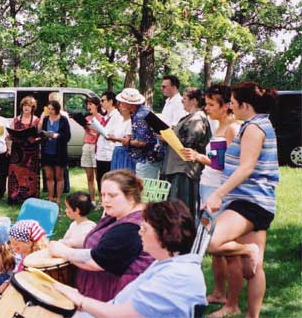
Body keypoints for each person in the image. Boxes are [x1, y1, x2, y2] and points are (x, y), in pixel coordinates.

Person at [54, 200, 207, 318]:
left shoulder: (174, 278)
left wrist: (79, 300)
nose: (139, 232)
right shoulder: (168, 262)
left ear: (163, 235)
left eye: (144, 229)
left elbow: (119, 315)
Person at [205, 82, 279, 318]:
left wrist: (218, 193)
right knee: (253, 268)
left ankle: (247, 249)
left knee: (213, 242)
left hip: (249, 201)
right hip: (259, 202)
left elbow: (246, 168)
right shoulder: (258, 124)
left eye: (234, 104)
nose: (231, 107)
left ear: (245, 105)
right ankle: (252, 316)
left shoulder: (254, 128)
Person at [181, 83, 242, 318]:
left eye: (210, 104)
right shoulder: (219, 126)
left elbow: (228, 165)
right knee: (211, 245)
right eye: (205, 103)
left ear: (226, 105)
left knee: (225, 247)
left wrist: (198, 157)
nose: (206, 108)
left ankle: (233, 303)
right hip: (207, 188)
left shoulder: (233, 129)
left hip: (219, 191)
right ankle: (218, 292)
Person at [48, 169, 154, 302]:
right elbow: (102, 238)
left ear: (131, 196)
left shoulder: (132, 227)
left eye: (112, 195)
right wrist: (71, 242)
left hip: (116, 300)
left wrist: (63, 251)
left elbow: (96, 261)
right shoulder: (119, 214)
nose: (105, 200)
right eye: (103, 195)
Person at [161, 87, 212, 220]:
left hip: (185, 169)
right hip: (176, 166)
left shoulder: (197, 119)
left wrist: (168, 137)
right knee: (173, 208)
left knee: (182, 207)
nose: (182, 101)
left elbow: (189, 143)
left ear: (194, 101)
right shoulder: (189, 117)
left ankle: (185, 236)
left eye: (185, 98)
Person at [122, 88, 164, 179]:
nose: (121, 104)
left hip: (146, 159)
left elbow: (142, 142)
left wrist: (128, 142)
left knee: (145, 189)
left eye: (123, 101)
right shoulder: (145, 111)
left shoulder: (139, 116)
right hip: (153, 157)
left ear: (130, 104)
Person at [7, 96, 41, 205]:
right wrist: (10, 137)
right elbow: (9, 134)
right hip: (17, 151)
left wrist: (34, 139)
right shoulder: (16, 119)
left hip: (31, 151)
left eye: (29, 106)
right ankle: (15, 197)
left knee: (30, 174)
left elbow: (41, 136)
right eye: (25, 105)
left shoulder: (36, 120)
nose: (26, 108)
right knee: (15, 173)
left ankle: (30, 198)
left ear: (33, 108)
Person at [39, 100, 71, 204]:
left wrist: (57, 135)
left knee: (59, 176)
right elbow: (42, 133)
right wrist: (43, 136)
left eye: (52, 109)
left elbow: (67, 136)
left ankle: (57, 198)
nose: (50, 111)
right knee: (49, 176)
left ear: (57, 109)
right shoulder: (45, 119)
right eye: (49, 109)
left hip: (59, 152)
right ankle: (50, 197)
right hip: (47, 151)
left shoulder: (63, 120)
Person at [95, 91, 122, 193]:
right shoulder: (105, 116)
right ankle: (102, 201)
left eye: (103, 100)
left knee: (108, 179)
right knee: (100, 178)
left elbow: (115, 133)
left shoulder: (116, 116)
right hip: (101, 151)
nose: (101, 103)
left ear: (110, 101)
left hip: (109, 152)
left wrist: (105, 132)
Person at [81, 97, 103, 204]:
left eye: (91, 104)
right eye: (87, 104)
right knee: (89, 176)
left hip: (96, 146)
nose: (88, 106)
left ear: (97, 105)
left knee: (98, 176)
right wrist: (87, 128)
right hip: (86, 146)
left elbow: (100, 133)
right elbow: (89, 133)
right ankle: (92, 200)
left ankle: (101, 201)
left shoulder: (102, 118)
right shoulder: (87, 118)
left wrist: (91, 129)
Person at [108, 91, 137, 171]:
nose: (120, 107)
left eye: (122, 105)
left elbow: (127, 140)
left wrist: (115, 138)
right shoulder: (120, 121)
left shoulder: (131, 122)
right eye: (120, 104)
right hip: (117, 150)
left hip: (125, 152)